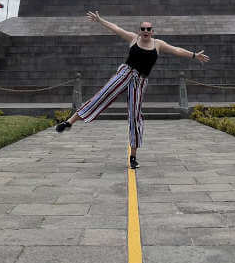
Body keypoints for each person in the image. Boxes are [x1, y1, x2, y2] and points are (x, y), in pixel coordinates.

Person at [54, 11, 209, 168]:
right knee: (101, 96)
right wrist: (100, 20)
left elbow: (176, 50)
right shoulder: (133, 38)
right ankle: (69, 122)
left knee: (135, 115)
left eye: (149, 29)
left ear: (152, 31)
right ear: (139, 30)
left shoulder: (158, 44)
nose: (146, 31)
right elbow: (115, 28)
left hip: (140, 81)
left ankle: (133, 157)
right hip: (125, 74)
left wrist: (194, 55)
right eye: (143, 28)